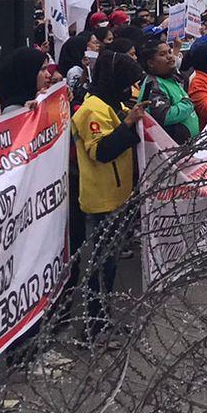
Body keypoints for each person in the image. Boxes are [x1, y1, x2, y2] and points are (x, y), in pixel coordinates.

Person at [70, 51, 148, 337]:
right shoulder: (93, 110)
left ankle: (103, 320)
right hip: (101, 197)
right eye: (125, 82)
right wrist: (128, 124)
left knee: (108, 265)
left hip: (117, 193)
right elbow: (101, 151)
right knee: (101, 266)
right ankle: (96, 325)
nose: (129, 89)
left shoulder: (111, 104)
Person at [139, 39, 200, 142]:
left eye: (170, 52)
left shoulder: (169, 77)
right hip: (173, 150)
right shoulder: (153, 85)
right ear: (151, 63)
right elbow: (165, 116)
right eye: (162, 54)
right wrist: (188, 103)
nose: (170, 56)